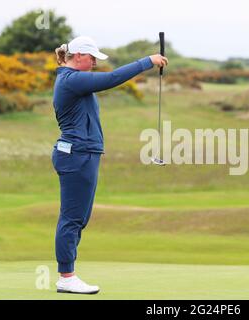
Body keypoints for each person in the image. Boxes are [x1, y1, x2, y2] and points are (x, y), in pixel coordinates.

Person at [51, 36, 168, 294]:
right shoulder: (71, 80)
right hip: (76, 155)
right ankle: (66, 277)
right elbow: (112, 78)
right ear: (79, 55)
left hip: (82, 154)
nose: (94, 63)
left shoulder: (75, 82)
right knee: (72, 218)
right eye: (92, 58)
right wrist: (147, 61)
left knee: (78, 218)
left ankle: (67, 274)